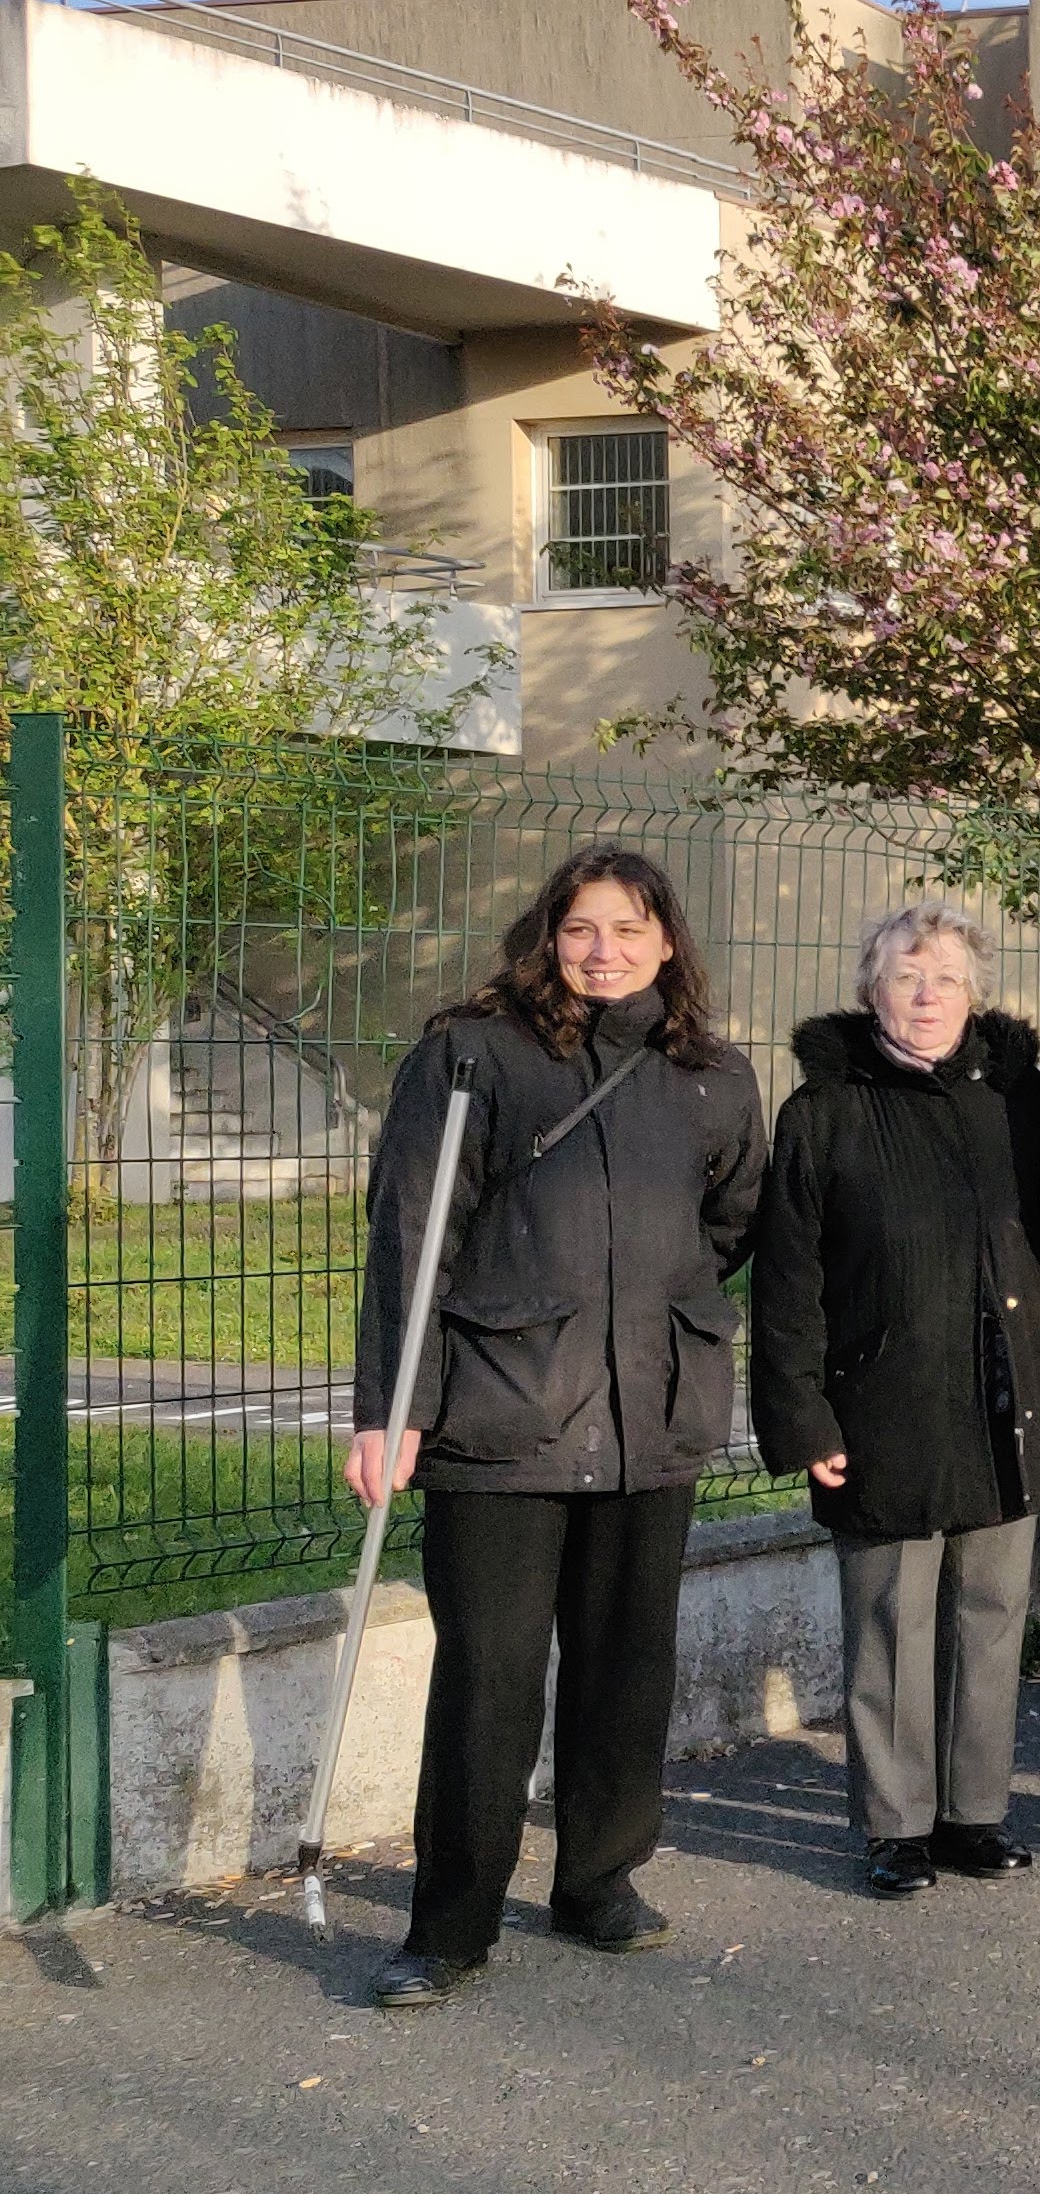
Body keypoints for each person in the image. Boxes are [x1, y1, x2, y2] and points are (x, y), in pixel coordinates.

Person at [345, 847, 765, 2009]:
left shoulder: (713, 1076)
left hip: (652, 1418)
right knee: (489, 1678)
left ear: (667, 943)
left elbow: (730, 1223)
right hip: (501, 1416)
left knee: (627, 1669)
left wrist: (664, 1315)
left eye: (629, 931)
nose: (604, 951)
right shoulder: (472, 1054)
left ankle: (599, 1880)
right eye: (583, 929)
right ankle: (450, 1924)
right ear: (549, 934)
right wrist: (392, 1412)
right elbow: (409, 1243)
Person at [749, 904, 1040, 1900]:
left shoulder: (1024, 1101)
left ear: (975, 992)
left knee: (989, 1612)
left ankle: (974, 1813)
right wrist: (801, 1415)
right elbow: (787, 1281)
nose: (926, 994)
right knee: (892, 1619)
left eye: (944, 976)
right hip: (880, 1407)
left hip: (1008, 1402)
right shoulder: (823, 1111)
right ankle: (896, 1825)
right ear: (869, 990)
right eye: (904, 975)